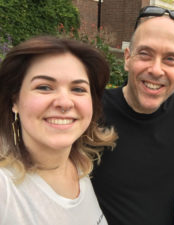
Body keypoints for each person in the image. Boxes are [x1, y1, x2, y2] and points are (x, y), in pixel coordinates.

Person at [91, 6, 174, 225]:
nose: (156, 70)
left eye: (170, 59)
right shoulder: (94, 110)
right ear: (127, 58)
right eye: (145, 54)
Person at [0, 36, 117, 225]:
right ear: (15, 100)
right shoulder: (5, 188)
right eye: (44, 87)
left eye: (78, 89)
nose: (64, 102)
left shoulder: (80, 165)